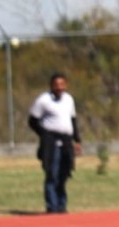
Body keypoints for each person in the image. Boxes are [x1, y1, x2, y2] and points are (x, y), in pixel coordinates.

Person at [29, 72, 82, 213]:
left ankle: (62, 205)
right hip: (51, 143)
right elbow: (32, 121)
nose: (59, 88)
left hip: (66, 141)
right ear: (51, 86)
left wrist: (76, 140)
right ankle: (52, 207)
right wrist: (45, 135)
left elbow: (73, 120)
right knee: (52, 173)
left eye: (62, 84)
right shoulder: (43, 100)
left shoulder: (69, 99)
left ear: (66, 85)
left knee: (64, 173)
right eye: (56, 85)